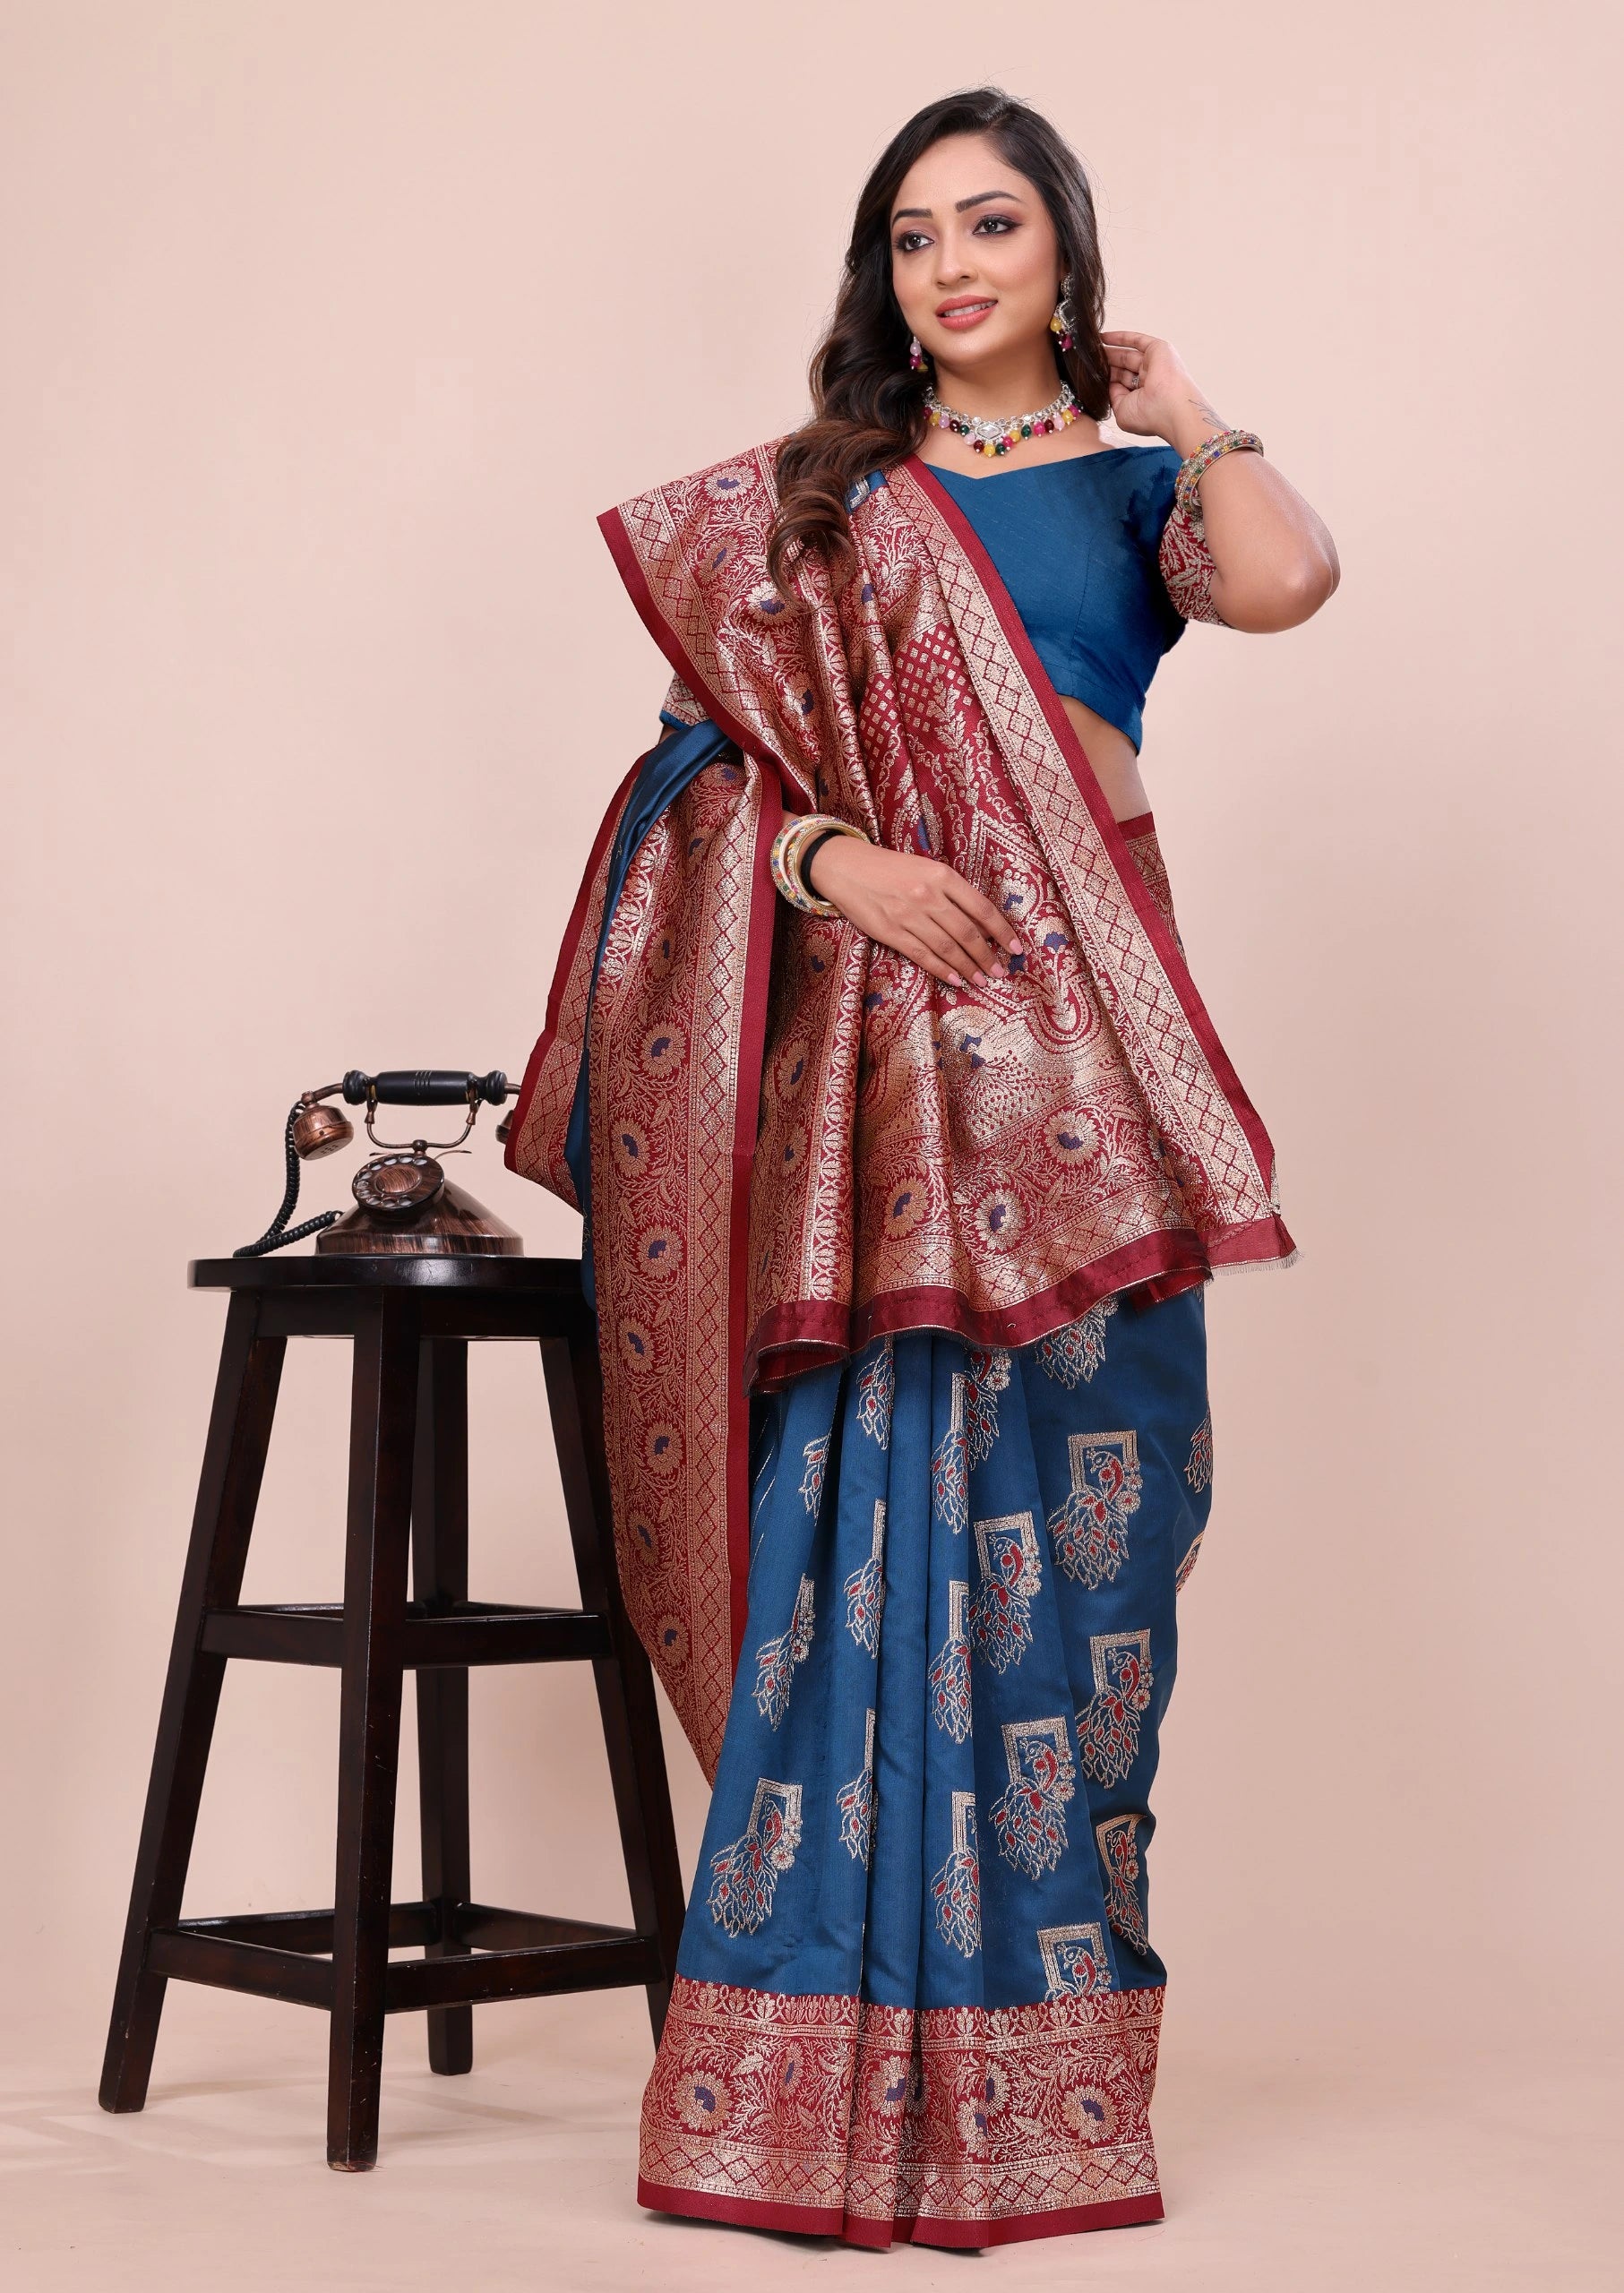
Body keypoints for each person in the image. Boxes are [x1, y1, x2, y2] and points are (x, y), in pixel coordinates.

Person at [504, 85, 1337, 2250]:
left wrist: (1199, 404)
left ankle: (1041, 2073)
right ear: (880, 279)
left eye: (990, 225)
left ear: (1063, 248)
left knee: (1094, 1536)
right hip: (872, 1084)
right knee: (853, 1522)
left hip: (1089, 1056)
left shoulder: (1147, 483)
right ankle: (803, 2078)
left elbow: (1290, 582)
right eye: (908, 237)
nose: (949, 266)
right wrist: (831, 853)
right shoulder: (820, 499)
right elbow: (685, 790)